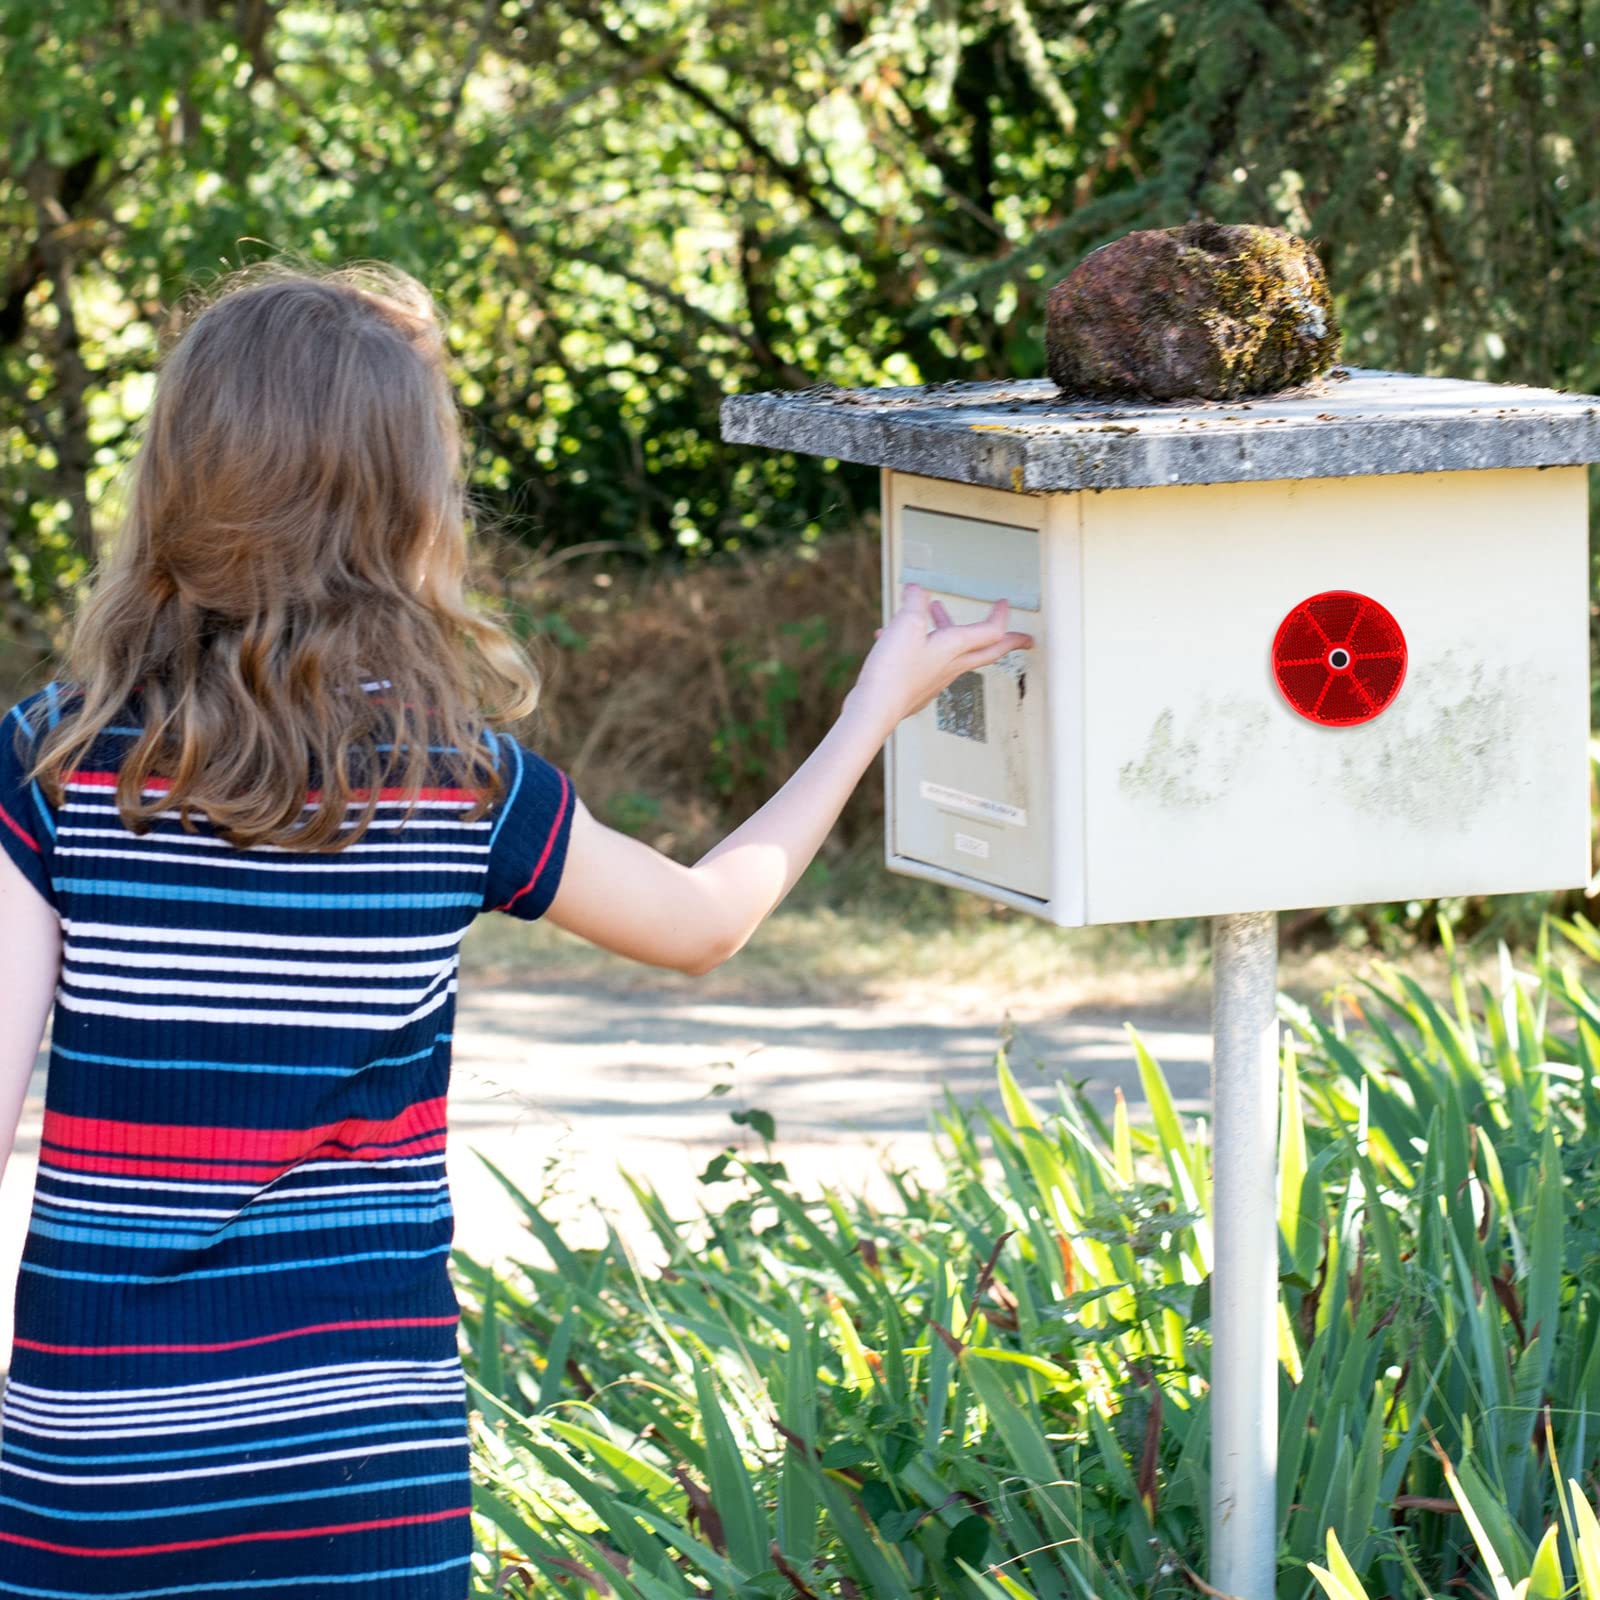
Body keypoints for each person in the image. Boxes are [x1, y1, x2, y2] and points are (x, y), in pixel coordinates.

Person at [0, 261, 1033, 1598]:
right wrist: (872, 710)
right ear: (403, 500)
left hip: (105, 1456)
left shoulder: (57, 765)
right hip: (362, 1466)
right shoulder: (459, 784)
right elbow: (710, 921)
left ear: (182, 484)